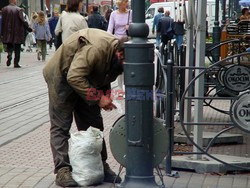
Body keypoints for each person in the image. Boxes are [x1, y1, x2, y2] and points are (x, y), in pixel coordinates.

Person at [43, 28, 125, 187]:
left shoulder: (116, 55)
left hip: (85, 80)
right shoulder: (97, 49)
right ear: (120, 55)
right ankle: (62, 170)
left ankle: (100, 164)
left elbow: (105, 73)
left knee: (94, 123)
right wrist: (98, 97)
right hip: (62, 77)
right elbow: (74, 76)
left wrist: (105, 95)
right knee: (61, 126)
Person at [107, 0, 132, 94]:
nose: (127, 3)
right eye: (125, 1)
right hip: (117, 42)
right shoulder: (114, 14)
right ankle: (120, 89)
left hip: (128, 41)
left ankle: (127, 86)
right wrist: (110, 39)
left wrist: (129, 27)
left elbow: (135, 27)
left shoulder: (130, 13)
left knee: (127, 65)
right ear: (120, 3)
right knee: (119, 64)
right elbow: (110, 29)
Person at [1, 0, 32, 68]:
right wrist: (28, 28)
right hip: (17, 32)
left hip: (7, 31)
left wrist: (2, 32)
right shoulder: (19, 10)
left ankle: (9, 53)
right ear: (14, 1)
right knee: (17, 47)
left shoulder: (4, 9)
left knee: (9, 45)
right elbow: (23, 21)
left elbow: (2, 21)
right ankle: (16, 63)